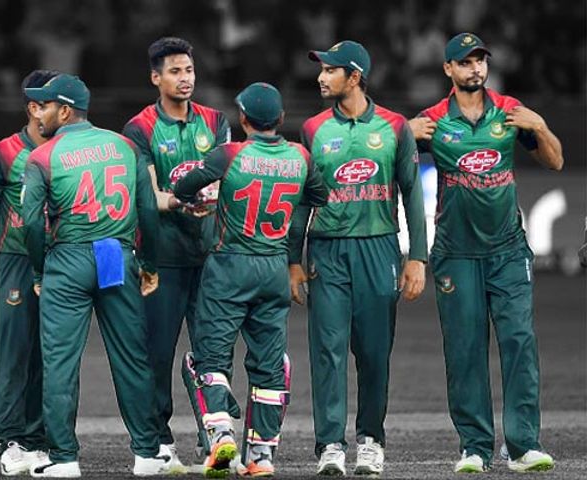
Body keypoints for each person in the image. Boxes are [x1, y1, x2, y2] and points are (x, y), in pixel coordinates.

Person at [409, 32, 563, 474]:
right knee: (465, 350)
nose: (475, 68)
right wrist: (402, 135)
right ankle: (474, 447)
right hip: (456, 253)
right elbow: (387, 164)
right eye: (465, 62)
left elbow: (555, 161)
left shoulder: (510, 111)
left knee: (519, 342)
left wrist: (540, 127)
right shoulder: (433, 120)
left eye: (480, 60)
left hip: (509, 250)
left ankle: (523, 446)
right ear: (448, 69)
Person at [174, 82, 328, 478]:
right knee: (270, 365)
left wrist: (207, 197)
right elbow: (319, 196)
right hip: (274, 268)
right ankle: (261, 456)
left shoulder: (230, 154)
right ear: (280, 118)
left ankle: (221, 434)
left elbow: (183, 188)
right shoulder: (300, 156)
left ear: (243, 119)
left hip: (229, 266)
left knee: (207, 360)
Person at [289, 40, 428, 476]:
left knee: (373, 351)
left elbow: (412, 193)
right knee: (327, 350)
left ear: (354, 77)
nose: (320, 77)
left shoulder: (395, 126)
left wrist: (417, 257)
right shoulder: (312, 128)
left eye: (330, 70)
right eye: (321, 70)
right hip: (326, 250)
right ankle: (330, 444)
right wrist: (293, 259)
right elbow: (302, 200)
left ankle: (370, 439)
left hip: (379, 247)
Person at [20, 73, 167, 478]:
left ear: (65, 111)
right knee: (131, 357)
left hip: (67, 258)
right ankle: (147, 454)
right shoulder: (124, 146)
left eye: (45, 105)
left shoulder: (42, 157)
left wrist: (39, 269)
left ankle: (64, 458)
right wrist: (149, 264)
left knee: (60, 362)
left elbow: (31, 223)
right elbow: (148, 211)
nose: (38, 113)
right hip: (113, 254)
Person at [122, 36, 231, 469]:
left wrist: (208, 196)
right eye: (174, 71)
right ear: (156, 78)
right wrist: (186, 200)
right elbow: (147, 196)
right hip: (162, 257)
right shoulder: (140, 128)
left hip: (210, 255)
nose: (185, 79)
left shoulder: (216, 121)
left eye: (188, 70)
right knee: (157, 354)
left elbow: (225, 176)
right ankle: (159, 440)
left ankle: (215, 434)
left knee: (213, 352)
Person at [0, 69, 59, 476]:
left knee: (50, 353)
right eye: (56, 104)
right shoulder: (3, 153)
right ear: (35, 108)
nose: (65, 111)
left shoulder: (70, 149)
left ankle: (38, 439)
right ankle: (11, 440)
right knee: (15, 350)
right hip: (17, 261)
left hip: (61, 262)